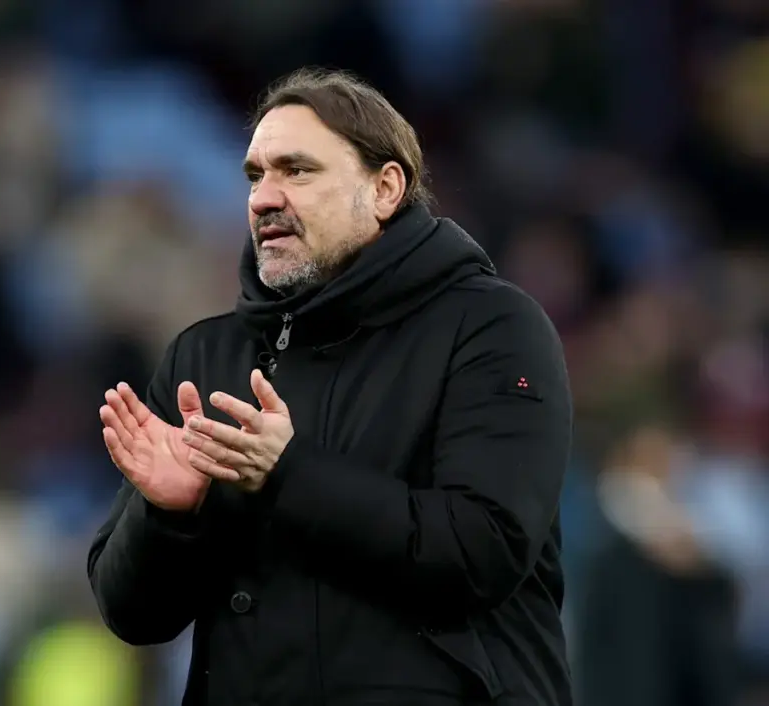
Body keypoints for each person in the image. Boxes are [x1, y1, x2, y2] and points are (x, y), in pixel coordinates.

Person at [88, 67, 574, 706]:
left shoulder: (492, 326)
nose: (264, 198)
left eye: (298, 170)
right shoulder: (204, 356)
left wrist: (287, 475)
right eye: (255, 175)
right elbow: (134, 617)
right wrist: (169, 516)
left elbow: (483, 551)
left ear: (384, 188)